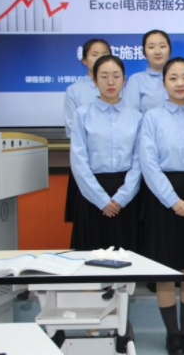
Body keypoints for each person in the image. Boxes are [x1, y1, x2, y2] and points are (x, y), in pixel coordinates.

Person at [139, 57, 184, 355]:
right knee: (167, 269)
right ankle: (172, 335)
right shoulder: (152, 117)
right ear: (164, 82)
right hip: (162, 198)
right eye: (173, 78)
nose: (180, 83)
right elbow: (148, 163)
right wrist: (172, 200)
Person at [69, 54, 142, 251]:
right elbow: (78, 161)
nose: (110, 82)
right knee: (91, 257)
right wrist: (101, 200)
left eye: (116, 76)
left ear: (124, 79)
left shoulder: (137, 117)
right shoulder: (82, 115)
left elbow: (139, 162)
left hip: (127, 194)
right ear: (94, 80)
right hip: (91, 193)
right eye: (103, 76)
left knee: (128, 256)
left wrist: (122, 197)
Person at [63, 38, 111, 223]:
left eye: (104, 54)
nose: (100, 58)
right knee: (88, 221)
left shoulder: (120, 86)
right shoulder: (74, 91)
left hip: (116, 166)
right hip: (86, 165)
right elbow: (72, 130)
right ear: (84, 60)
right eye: (94, 54)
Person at [124, 29, 172, 113]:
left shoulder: (183, 79)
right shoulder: (136, 80)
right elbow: (130, 114)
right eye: (151, 47)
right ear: (144, 53)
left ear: (170, 51)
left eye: (162, 46)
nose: (157, 52)